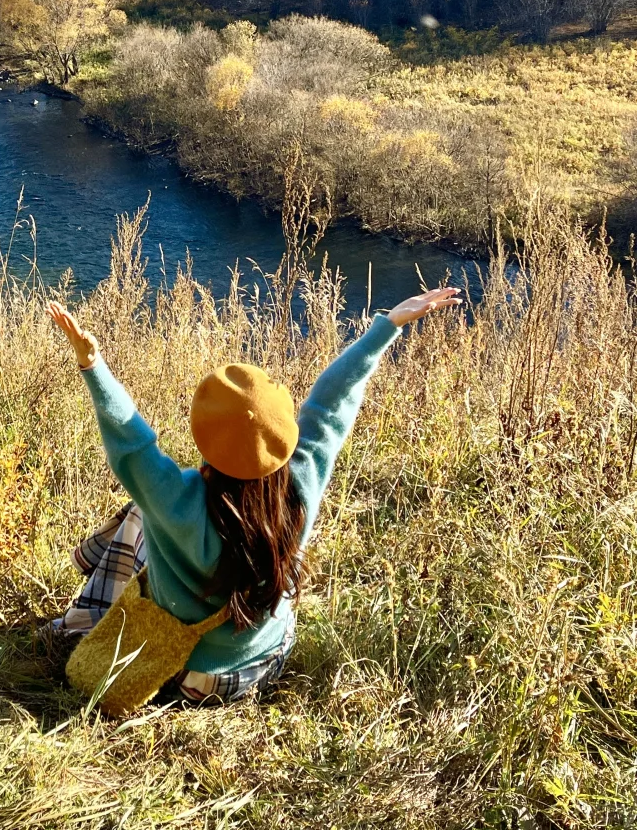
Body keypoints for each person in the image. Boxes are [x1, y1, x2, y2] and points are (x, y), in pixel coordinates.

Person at [46, 286, 460, 705]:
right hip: (249, 671)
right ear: (282, 439)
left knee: (140, 512)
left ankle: (82, 615)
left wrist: (93, 364)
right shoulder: (300, 488)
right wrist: (386, 327)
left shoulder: (174, 498)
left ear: (207, 438)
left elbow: (132, 444)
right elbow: (330, 407)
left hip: (177, 669)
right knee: (152, 513)